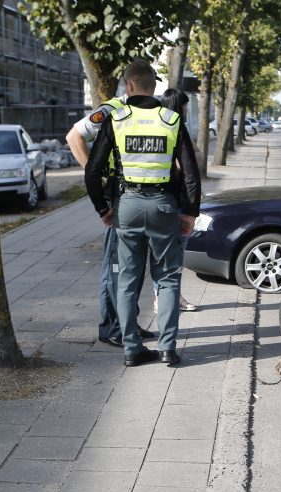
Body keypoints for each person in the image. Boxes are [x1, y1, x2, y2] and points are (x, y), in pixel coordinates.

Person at [84, 60, 201, 367]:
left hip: (128, 205)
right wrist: (190, 212)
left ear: (129, 86)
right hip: (164, 206)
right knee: (167, 279)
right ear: (154, 87)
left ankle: (132, 350)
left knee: (127, 280)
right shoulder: (171, 120)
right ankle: (167, 349)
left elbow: (93, 170)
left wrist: (103, 208)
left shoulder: (117, 119)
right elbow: (190, 173)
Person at [66, 85, 156, 348]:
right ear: (131, 85)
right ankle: (112, 327)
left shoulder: (148, 110)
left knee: (134, 268)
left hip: (138, 201)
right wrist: (95, 173)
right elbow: (74, 137)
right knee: (117, 267)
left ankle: (128, 323)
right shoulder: (113, 110)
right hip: (119, 199)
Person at [157, 87, 199, 313]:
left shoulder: (157, 126)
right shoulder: (176, 128)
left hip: (150, 200)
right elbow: (189, 172)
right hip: (175, 201)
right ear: (178, 107)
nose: (186, 111)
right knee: (173, 256)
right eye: (184, 107)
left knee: (158, 257)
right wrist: (192, 210)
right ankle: (170, 299)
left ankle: (161, 298)